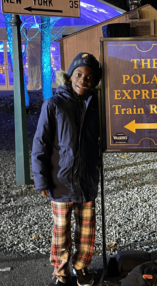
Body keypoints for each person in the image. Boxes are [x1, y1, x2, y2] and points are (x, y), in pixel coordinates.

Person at [32, 52, 102, 286]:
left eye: (90, 77)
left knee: (86, 231)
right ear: (70, 76)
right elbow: (40, 143)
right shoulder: (54, 104)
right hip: (60, 180)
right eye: (79, 74)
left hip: (87, 180)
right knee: (61, 231)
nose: (84, 80)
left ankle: (81, 267)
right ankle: (60, 271)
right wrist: (41, 180)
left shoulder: (97, 106)